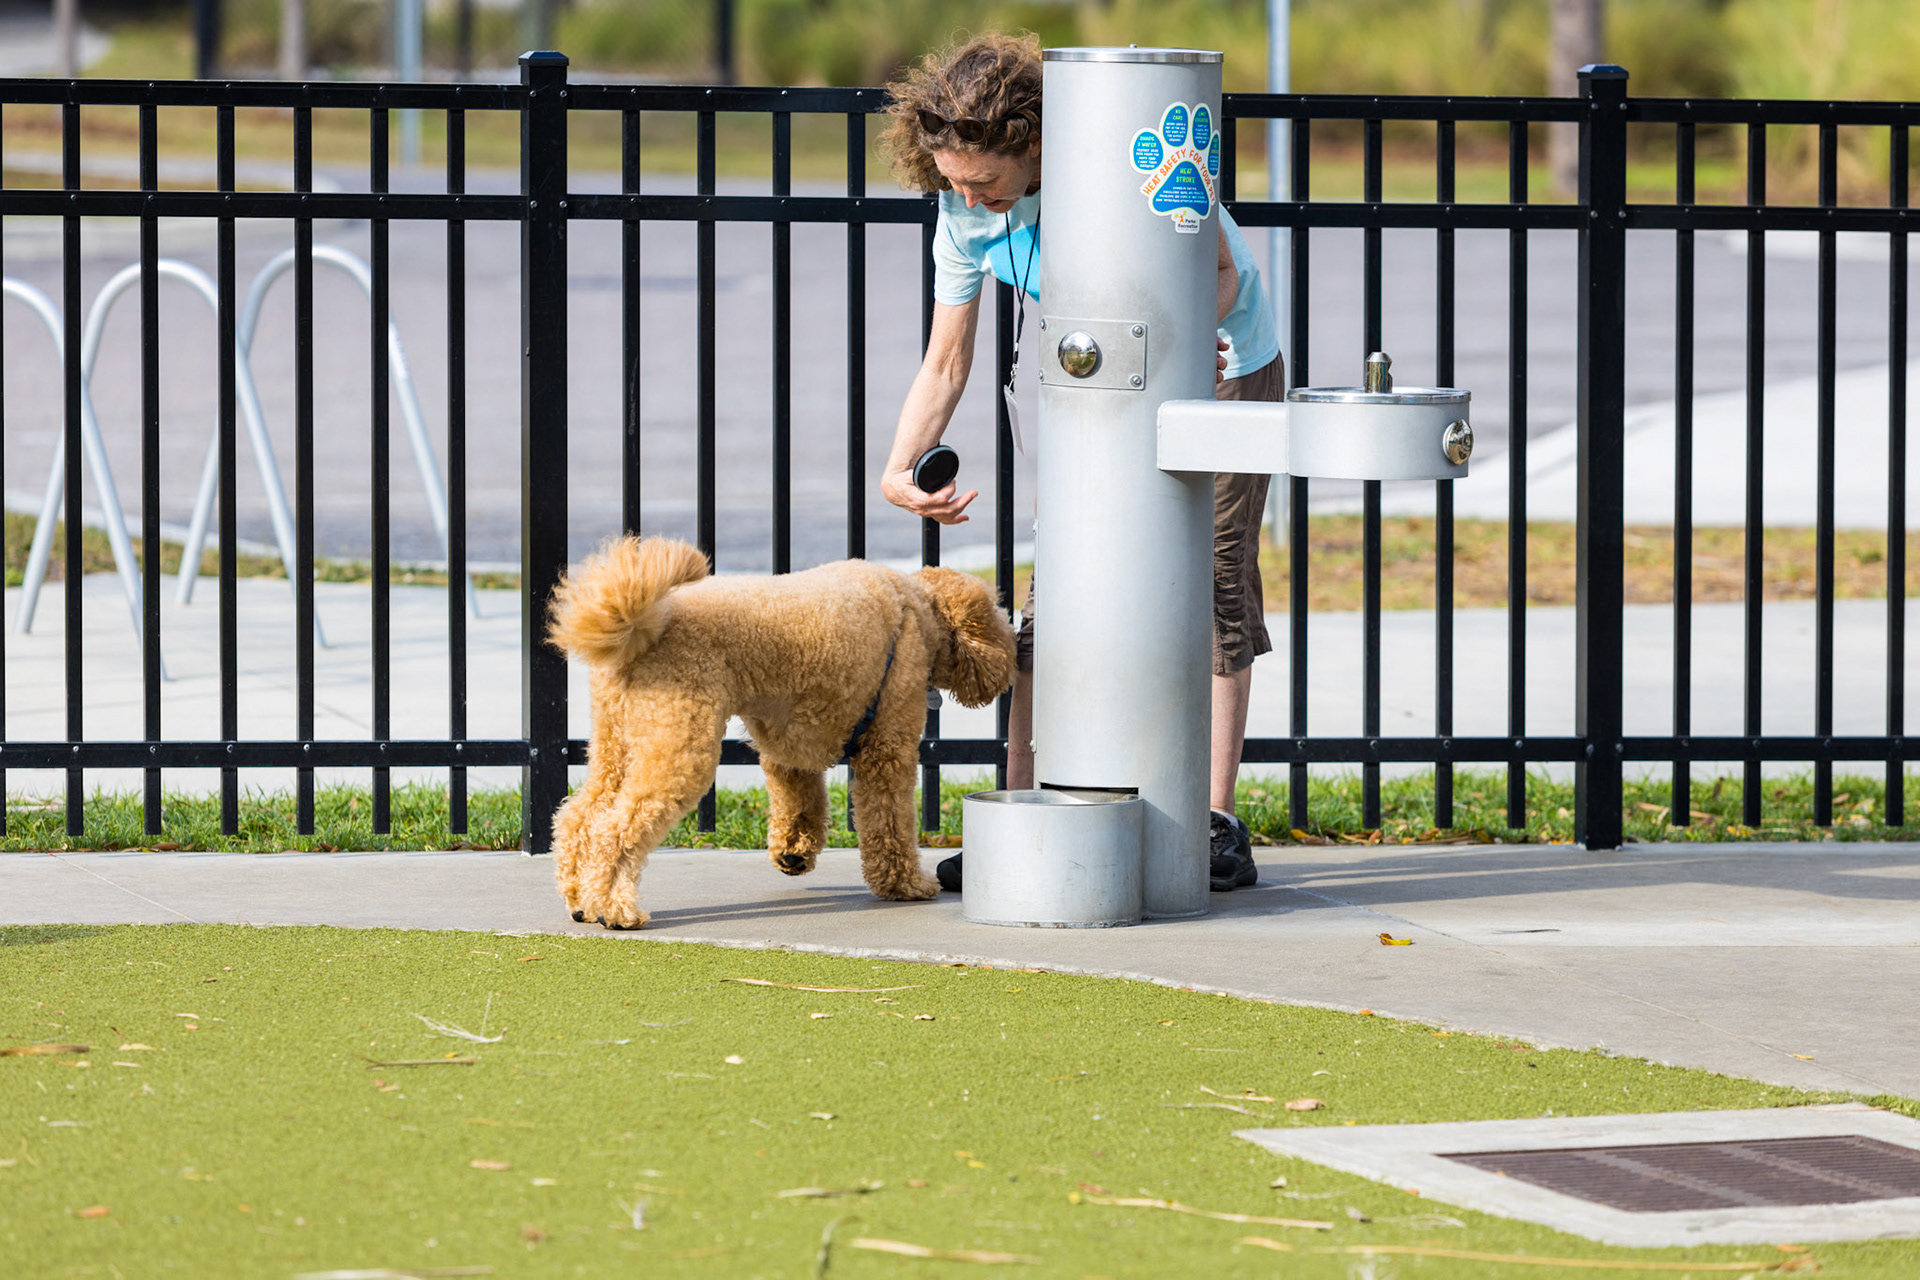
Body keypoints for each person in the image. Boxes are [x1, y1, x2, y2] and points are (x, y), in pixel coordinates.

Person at [877, 33, 1282, 892]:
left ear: (1033, 143)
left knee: (1210, 579)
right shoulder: (962, 213)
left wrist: (1188, 342)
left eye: (984, 181)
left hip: (1220, 365)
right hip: (1098, 373)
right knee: (1056, 592)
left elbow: (1223, 274)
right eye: (954, 181)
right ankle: (1027, 812)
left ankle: (1212, 822)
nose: (970, 198)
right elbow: (946, 360)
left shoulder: (1114, 162)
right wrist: (898, 466)